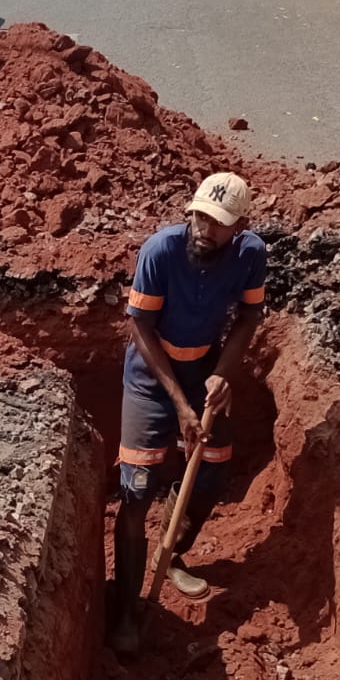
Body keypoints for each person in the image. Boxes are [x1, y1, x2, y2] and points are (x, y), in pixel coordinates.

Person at [109, 173, 269, 655]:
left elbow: (249, 317)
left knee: (212, 470)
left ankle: (171, 552)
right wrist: (180, 405)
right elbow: (141, 326)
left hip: (204, 367)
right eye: (199, 216)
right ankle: (126, 607)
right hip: (150, 378)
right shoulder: (160, 251)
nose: (204, 228)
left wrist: (223, 373)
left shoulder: (250, 255)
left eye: (218, 223)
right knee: (135, 491)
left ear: (239, 225)